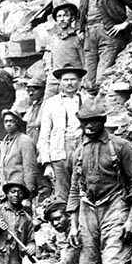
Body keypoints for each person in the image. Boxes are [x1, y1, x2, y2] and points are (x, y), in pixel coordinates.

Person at [66, 102, 132, 264]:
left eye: (93, 121)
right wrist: (74, 225)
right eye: (84, 122)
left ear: (103, 121)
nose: (89, 126)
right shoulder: (78, 152)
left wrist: (131, 220)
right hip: (88, 208)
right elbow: (75, 188)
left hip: (116, 205)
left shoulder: (120, 146)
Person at [39, 65, 86, 203]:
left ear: (79, 81)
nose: (69, 83)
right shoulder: (51, 103)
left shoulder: (87, 100)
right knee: (62, 191)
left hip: (81, 147)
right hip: (59, 150)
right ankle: (65, 221)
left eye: (73, 79)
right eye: (66, 80)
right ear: (60, 82)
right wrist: (47, 163)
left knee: (83, 187)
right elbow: (44, 134)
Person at [43, 0, 84, 99]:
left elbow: (85, 61)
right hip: (54, 82)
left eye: (65, 16)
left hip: (72, 82)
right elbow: (49, 60)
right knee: (47, 108)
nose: (62, 19)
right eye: (59, 16)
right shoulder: (54, 39)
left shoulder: (78, 38)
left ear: (72, 18)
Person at [0, 110, 40, 203]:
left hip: (20, 192)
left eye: (11, 121)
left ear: (17, 122)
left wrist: (28, 195)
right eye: (6, 121)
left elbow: (30, 169)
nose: (8, 124)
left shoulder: (25, 141)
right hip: (6, 193)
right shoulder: (3, 144)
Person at [23, 76, 46, 143]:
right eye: (28, 91)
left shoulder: (44, 106)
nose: (30, 94)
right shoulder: (33, 105)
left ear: (42, 90)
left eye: (33, 91)